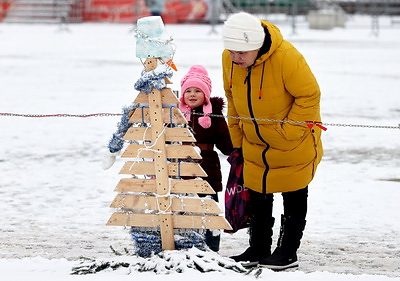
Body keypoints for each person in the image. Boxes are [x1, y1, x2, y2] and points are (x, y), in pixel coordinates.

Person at [221, 12, 324, 270]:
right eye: (232, 51)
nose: (236, 58)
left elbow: (309, 96)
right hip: (254, 142)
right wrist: (238, 138)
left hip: (292, 144)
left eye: (242, 53)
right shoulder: (229, 58)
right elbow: (231, 97)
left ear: (257, 45)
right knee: (257, 195)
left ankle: (287, 252)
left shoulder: (287, 57)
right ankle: (258, 248)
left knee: (294, 193)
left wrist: (286, 133)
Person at [178, 65, 234, 252]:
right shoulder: (176, 114)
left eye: (198, 91)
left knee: (208, 206)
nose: (192, 95)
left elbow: (225, 142)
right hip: (181, 168)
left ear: (206, 95)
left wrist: (235, 150)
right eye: (188, 91)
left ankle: (211, 247)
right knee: (184, 206)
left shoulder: (214, 115)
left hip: (207, 167)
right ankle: (185, 244)